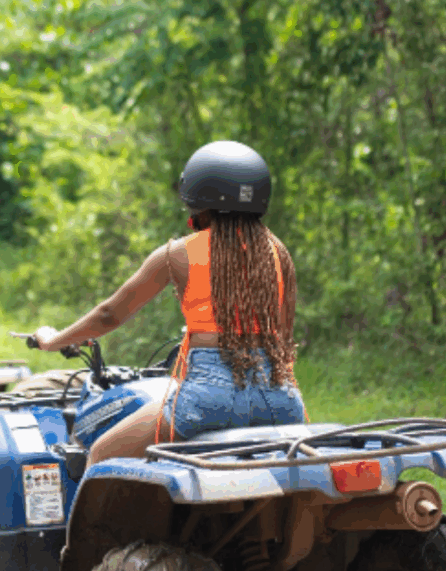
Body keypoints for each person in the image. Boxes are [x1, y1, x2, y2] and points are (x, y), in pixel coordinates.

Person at [34, 140, 306, 465]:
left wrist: (52, 341)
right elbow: (282, 335)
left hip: (210, 396)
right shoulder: (278, 252)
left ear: (198, 202)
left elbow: (109, 315)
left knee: (100, 456)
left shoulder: (179, 253)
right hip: (280, 397)